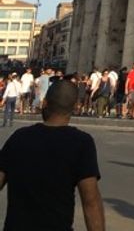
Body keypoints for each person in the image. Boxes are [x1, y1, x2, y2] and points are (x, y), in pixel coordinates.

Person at [0, 77, 106, 230]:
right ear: (75, 107)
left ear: (44, 103)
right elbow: (91, 202)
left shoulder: (19, 137)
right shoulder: (81, 143)